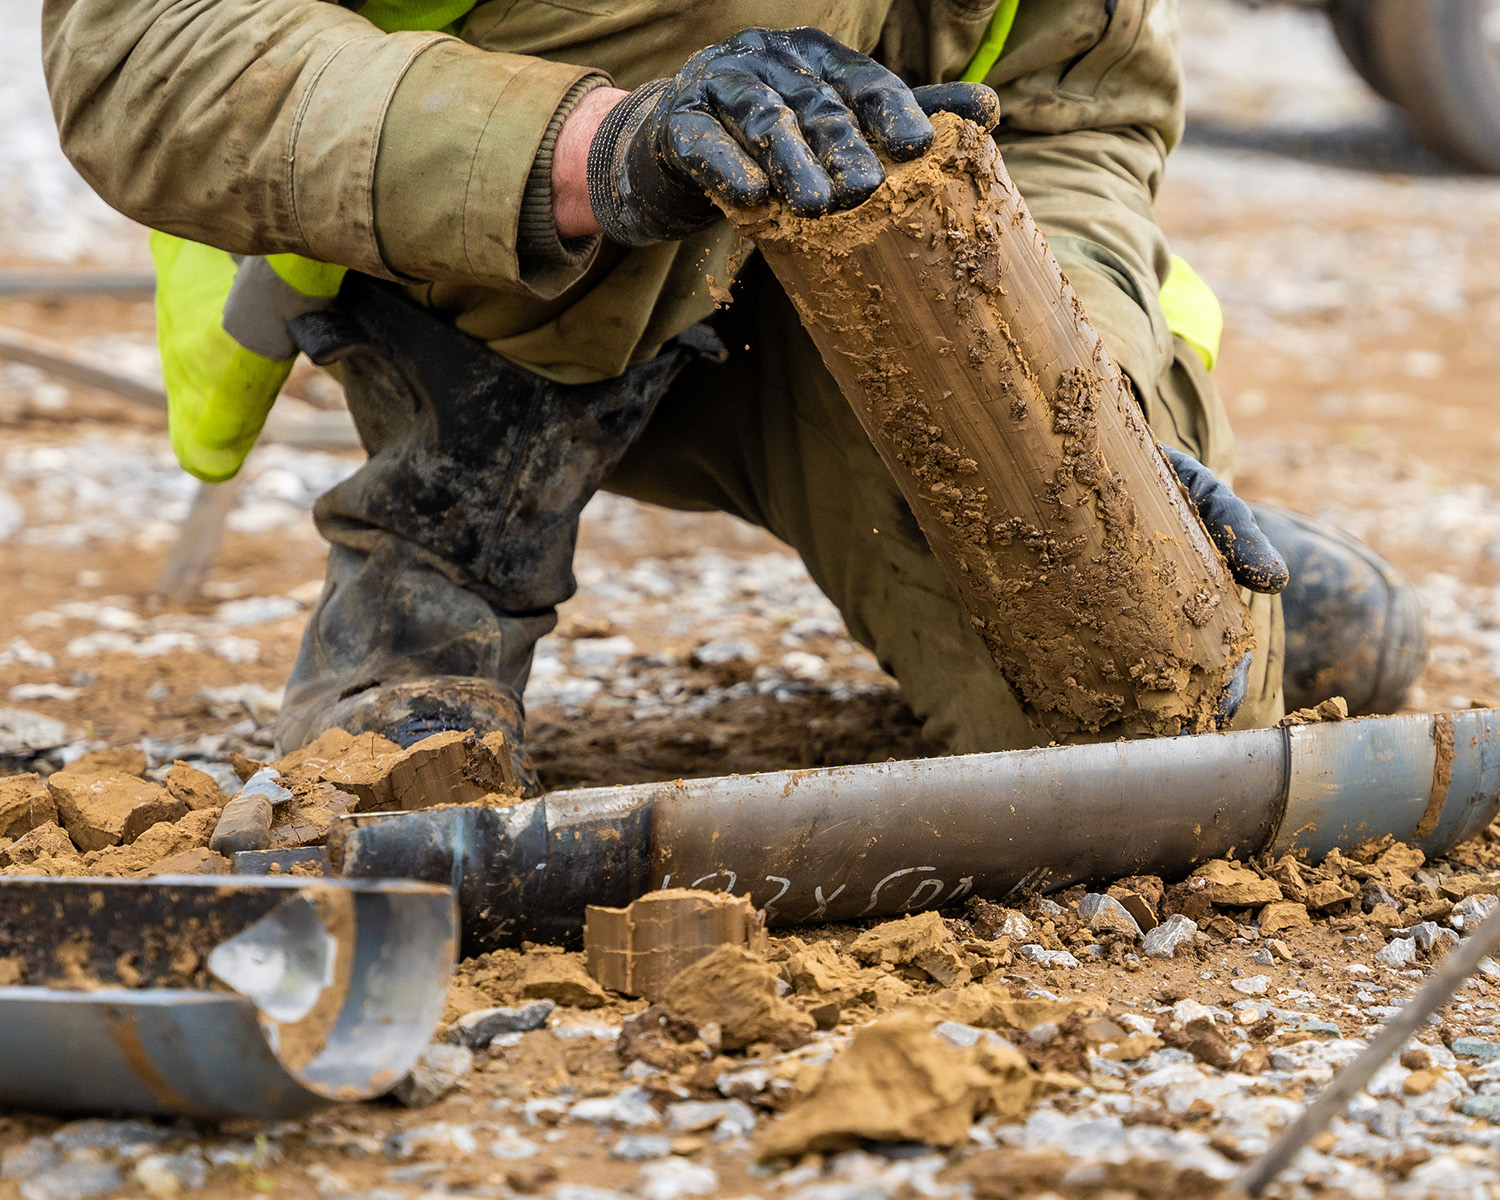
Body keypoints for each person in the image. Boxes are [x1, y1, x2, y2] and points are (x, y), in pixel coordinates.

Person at [42, 1, 1425, 790]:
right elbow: (141, 49)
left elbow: (1075, 109)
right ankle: (438, 560)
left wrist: (1090, 415)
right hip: (495, 254)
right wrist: (598, 150)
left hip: (836, 296)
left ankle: (1177, 558)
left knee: (1145, 724)